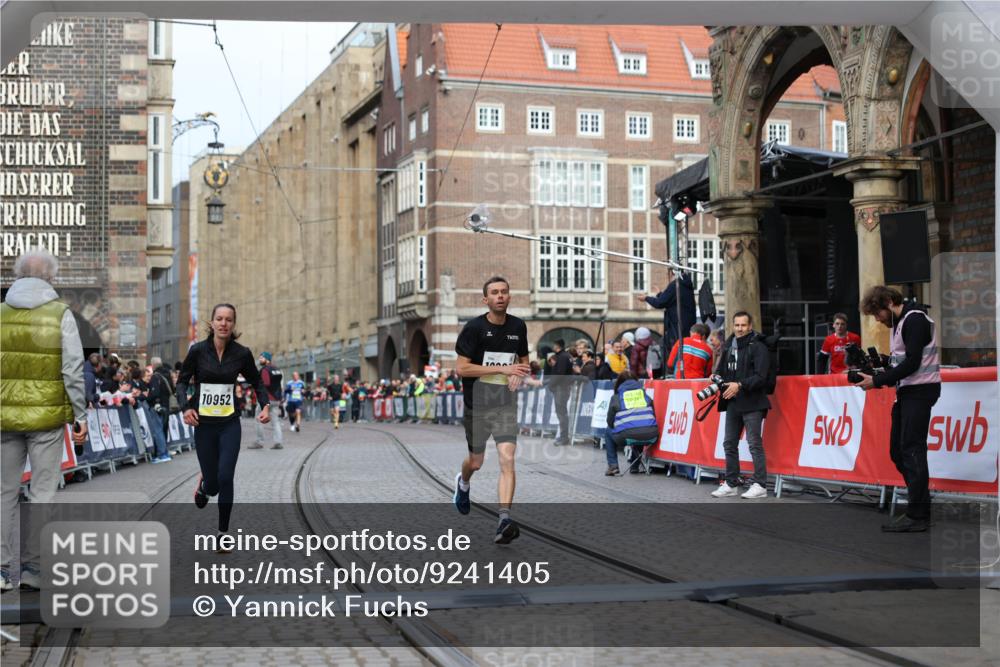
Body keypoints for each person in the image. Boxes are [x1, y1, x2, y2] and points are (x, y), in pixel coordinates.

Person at [1, 251, 89, 591]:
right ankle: (33, 570)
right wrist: (79, 415)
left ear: (18, 275)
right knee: (42, 494)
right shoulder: (61, 314)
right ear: (50, 278)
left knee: (4, 493)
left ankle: (1, 570)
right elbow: (72, 370)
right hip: (47, 417)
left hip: (4, 418)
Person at [177, 303, 271, 548]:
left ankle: (222, 533)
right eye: (219, 318)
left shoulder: (241, 353)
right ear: (212, 322)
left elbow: (257, 382)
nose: (223, 323)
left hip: (229, 423)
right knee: (214, 484)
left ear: (233, 324)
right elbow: (181, 382)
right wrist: (185, 408)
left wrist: (265, 406)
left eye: (228, 319)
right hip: (204, 424)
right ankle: (205, 486)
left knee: (226, 476)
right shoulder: (198, 351)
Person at [856, 286, 941, 532]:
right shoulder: (902, 322)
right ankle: (920, 504)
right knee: (898, 451)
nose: (878, 319)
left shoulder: (914, 319)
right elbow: (905, 360)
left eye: (878, 313)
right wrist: (884, 362)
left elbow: (913, 362)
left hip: (920, 391)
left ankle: (918, 514)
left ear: (889, 302)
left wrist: (877, 381)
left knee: (912, 450)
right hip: (907, 392)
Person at [453, 276, 530, 545]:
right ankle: (463, 483)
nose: (500, 296)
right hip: (477, 404)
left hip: (504, 404)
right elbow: (462, 369)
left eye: (504, 292)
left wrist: (518, 373)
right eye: (495, 293)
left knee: (507, 459)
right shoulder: (474, 328)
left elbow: (524, 360)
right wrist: (503, 369)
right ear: (485, 299)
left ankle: (504, 519)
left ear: (509, 296)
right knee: (476, 462)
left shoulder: (518, 326)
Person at [710, 312, 770, 499]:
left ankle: (760, 485)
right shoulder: (729, 346)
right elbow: (721, 371)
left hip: (753, 402)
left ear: (750, 326)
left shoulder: (758, 347)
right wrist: (716, 377)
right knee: (729, 443)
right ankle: (731, 483)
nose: (740, 329)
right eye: (736, 325)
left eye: (743, 325)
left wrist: (740, 385)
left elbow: (761, 377)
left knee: (754, 444)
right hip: (733, 402)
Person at [637, 269, 696, 374]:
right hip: (685, 326)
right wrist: (660, 294)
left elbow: (660, 303)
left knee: (668, 349)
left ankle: (671, 372)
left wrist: (646, 298)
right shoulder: (686, 285)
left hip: (676, 327)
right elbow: (669, 301)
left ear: (671, 273)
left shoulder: (675, 285)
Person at [603, 371, 659, 476]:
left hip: (626, 436)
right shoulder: (645, 396)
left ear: (619, 383)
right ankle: (634, 466)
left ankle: (613, 465)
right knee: (640, 428)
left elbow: (610, 422)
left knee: (608, 431)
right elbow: (653, 416)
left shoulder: (616, 397)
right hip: (651, 435)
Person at [251, 352, 284, 449]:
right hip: (276, 399)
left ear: (267, 359)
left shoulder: (265, 370)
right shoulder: (277, 369)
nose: (260, 359)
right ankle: (278, 442)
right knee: (275, 421)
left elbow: (264, 385)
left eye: (262, 358)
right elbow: (279, 384)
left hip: (266, 399)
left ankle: (259, 441)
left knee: (258, 419)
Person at [546, 338, 574, 446]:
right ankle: (563, 436)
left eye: (554, 345)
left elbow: (560, 373)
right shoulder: (566, 356)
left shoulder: (562, 357)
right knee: (562, 413)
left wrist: (551, 384)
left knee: (561, 413)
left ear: (557, 345)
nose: (553, 347)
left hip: (561, 388)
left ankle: (564, 437)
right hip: (563, 387)